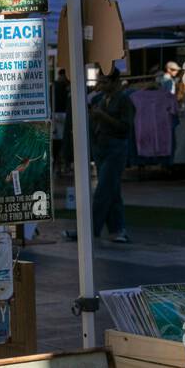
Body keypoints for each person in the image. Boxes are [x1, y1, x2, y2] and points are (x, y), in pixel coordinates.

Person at [67, 69, 135, 244]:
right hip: (101, 148)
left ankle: (90, 229)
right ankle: (118, 230)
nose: (101, 86)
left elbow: (126, 127)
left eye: (105, 82)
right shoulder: (99, 100)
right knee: (112, 190)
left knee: (103, 190)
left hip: (116, 148)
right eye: (100, 82)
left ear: (115, 82)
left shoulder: (124, 101)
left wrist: (103, 116)